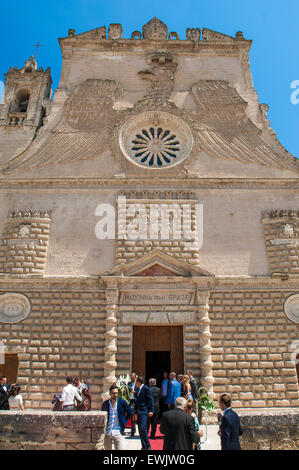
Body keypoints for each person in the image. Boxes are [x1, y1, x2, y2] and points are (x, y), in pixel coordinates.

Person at [101, 383, 132, 450]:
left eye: (116, 393)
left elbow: (130, 412)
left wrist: (124, 421)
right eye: (113, 393)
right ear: (110, 393)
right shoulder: (105, 404)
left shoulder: (122, 402)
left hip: (118, 431)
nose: (115, 395)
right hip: (107, 432)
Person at [134, 376, 154, 450]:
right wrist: (135, 394)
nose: (135, 383)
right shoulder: (137, 389)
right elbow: (139, 398)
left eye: (136, 381)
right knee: (140, 429)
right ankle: (143, 446)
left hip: (144, 411)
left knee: (143, 427)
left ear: (139, 382)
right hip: (139, 411)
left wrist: (151, 410)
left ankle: (148, 445)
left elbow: (150, 399)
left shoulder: (146, 388)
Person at [128, 372, 137, 437]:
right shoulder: (129, 384)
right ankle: (132, 429)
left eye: (133, 378)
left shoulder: (138, 384)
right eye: (131, 377)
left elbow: (140, 392)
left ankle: (133, 429)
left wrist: (135, 392)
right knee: (131, 415)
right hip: (130, 401)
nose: (132, 378)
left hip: (136, 401)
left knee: (134, 415)